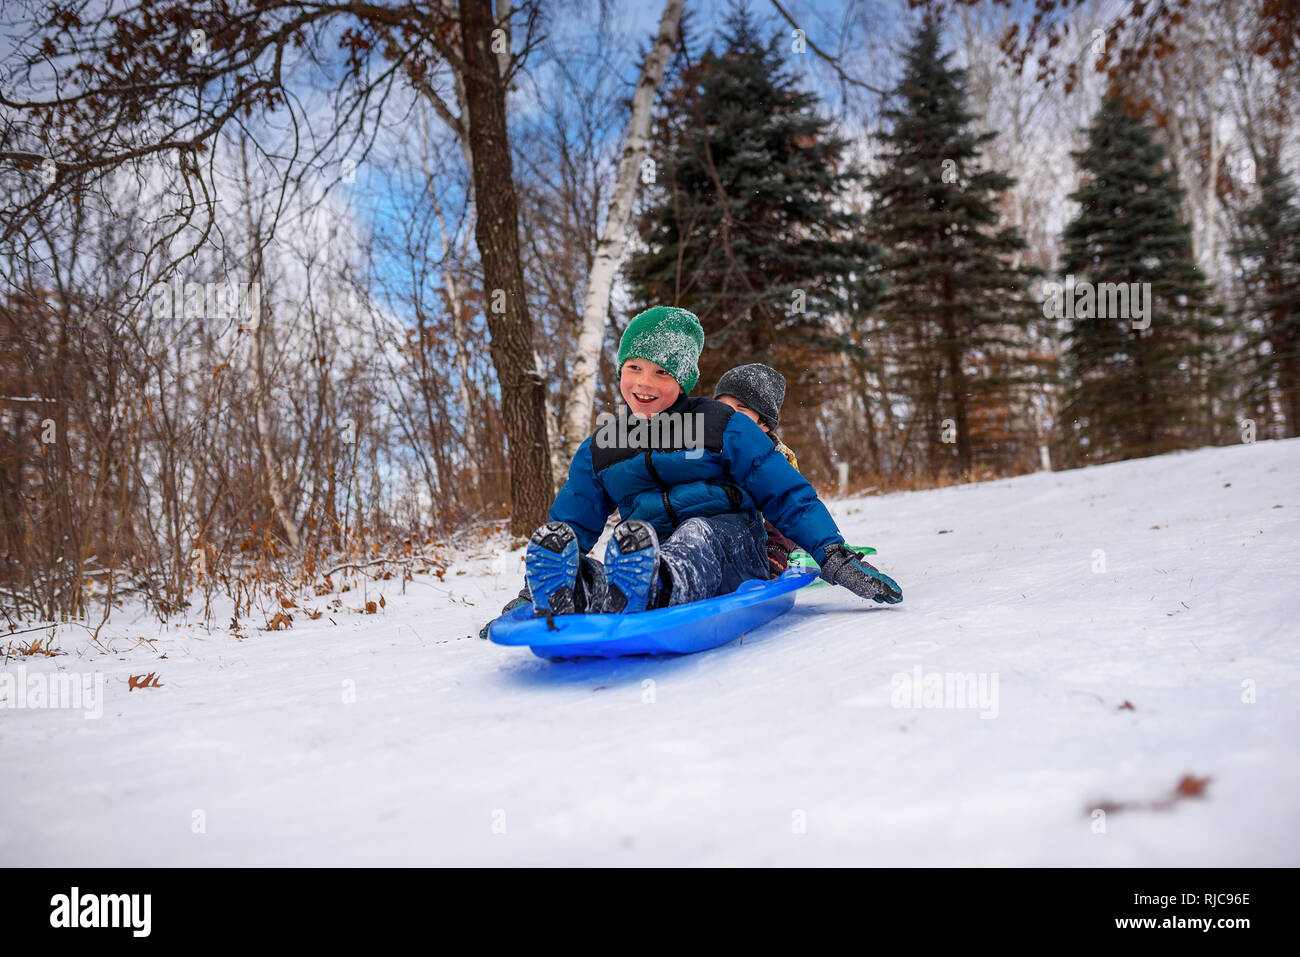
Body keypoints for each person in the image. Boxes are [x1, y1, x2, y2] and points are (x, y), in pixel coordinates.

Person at [483, 305, 901, 635]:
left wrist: (832, 555)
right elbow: (573, 520)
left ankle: (656, 583)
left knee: (696, 534)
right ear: (620, 370)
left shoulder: (723, 425)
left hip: (732, 548)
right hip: (648, 550)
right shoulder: (603, 446)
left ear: (684, 379)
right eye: (634, 368)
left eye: (661, 372)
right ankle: (576, 589)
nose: (644, 383)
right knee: (624, 556)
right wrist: (531, 588)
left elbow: (786, 493)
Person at [712, 363, 802, 577]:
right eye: (721, 406)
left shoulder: (777, 459)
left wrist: (775, 553)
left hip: (758, 541)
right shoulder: (703, 450)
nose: (726, 414)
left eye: (739, 408)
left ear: (763, 424)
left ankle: (788, 551)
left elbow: (787, 512)